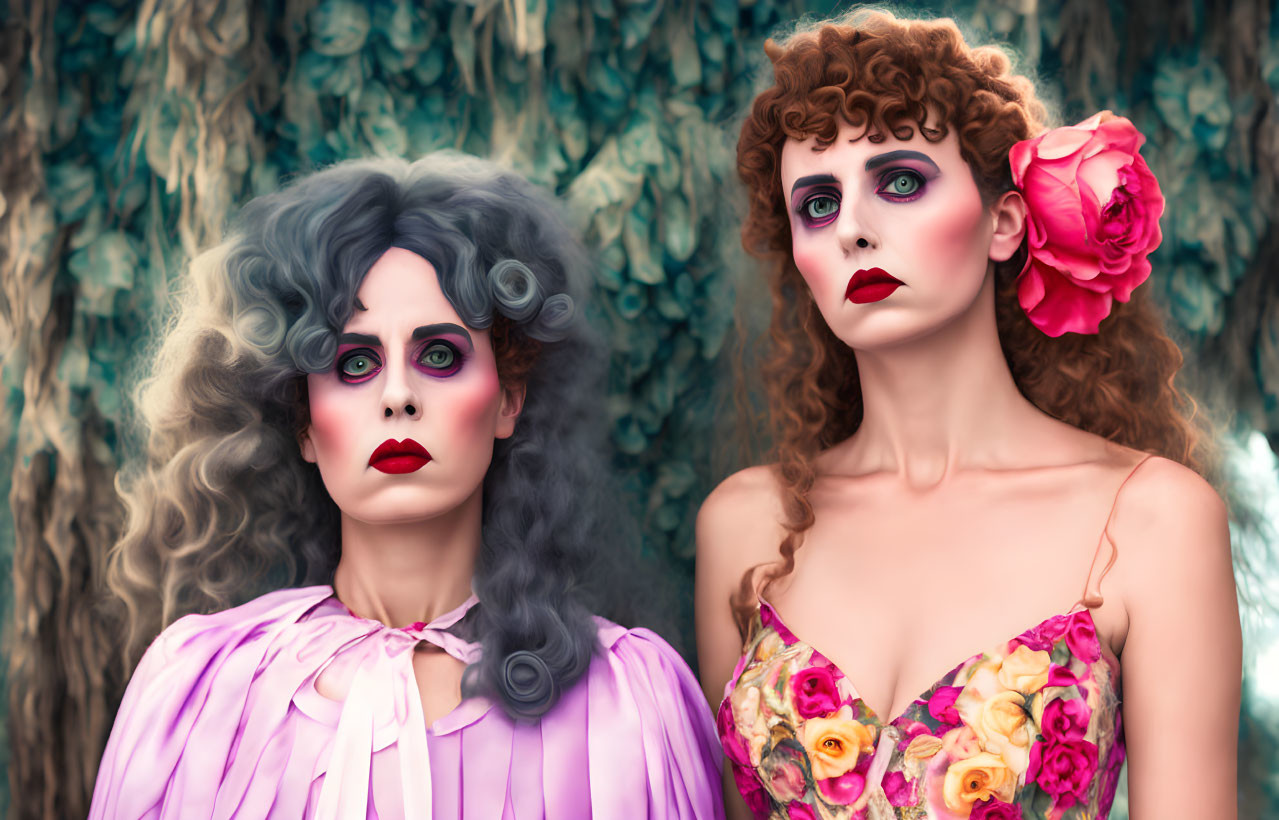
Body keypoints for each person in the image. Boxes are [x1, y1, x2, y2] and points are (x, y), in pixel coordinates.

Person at [695, 10, 1239, 819]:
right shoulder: (744, 524)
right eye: (816, 203)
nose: (852, 229)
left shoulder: (1151, 519)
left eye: (901, 181)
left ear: (1003, 222)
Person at [90, 154, 724, 819]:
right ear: (304, 423)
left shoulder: (629, 701)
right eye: (354, 362)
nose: (398, 396)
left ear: (508, 398)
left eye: (440, 355)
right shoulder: (191, 690)